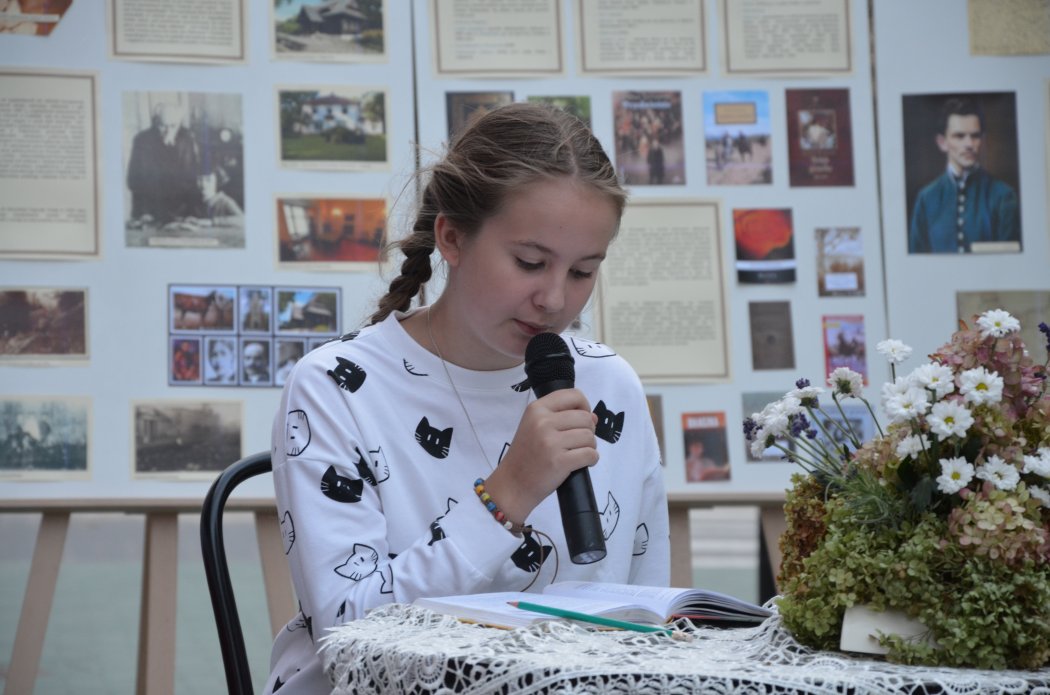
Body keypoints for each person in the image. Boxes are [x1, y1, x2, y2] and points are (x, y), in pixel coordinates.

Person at [266, 102, 670, 692]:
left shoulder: (610, 385)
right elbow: (349, 637)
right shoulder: (335, 386)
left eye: (583, 271)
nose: (554, 299)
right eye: (530, 262)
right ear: (452, 238)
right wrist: (508, 494)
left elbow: (644, 612)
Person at [908, 97, 1019, 253]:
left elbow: (1011, 261)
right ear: (942, 143)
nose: (969, 144)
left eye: (975, 136)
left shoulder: (1003, 196)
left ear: (982, 140)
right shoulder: (926, 199)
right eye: (959, 136)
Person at [126, 101, 200, 226]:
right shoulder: (142, 140)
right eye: (163, 126)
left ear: (179, 123)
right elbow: (133, 180)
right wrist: (144, 212)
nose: (168, 131)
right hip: (150, 211)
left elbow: (192, 179)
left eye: (173, 126)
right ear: (156, 122)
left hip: (181, 212)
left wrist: (192, 213)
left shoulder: (187, 138)